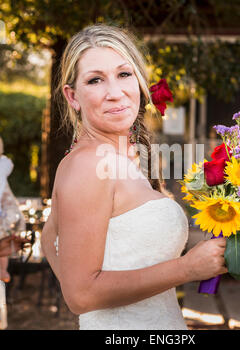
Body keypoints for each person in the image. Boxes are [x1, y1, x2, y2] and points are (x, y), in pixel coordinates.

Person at [41, 23, 227, 330]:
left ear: (139, 81)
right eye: (95, 80)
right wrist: (187, 268)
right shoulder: (87, 166)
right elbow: (80, 295)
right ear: (73, 97)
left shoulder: (126, 159)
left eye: (124, 74)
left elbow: (50, 239)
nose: (115, 93)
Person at [0, 137, 27, 282]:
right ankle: (3, 271)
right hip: (4, 214)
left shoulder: (2, 166)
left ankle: (3, 271)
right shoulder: (3, 165)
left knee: (3, 245)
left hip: (3, 214)